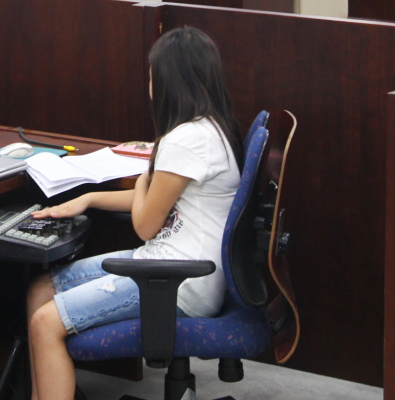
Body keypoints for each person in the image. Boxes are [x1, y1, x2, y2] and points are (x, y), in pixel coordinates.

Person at [24, 26, 243, 400]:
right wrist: (89, 199)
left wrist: (144, 176)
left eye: (151, 76)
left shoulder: (186, 141)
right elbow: (158, 201)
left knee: (45, 323)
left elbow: (144, 224)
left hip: (176, 283)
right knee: (41, 290)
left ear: (168, 81)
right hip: (167, 266)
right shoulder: (210, 129)